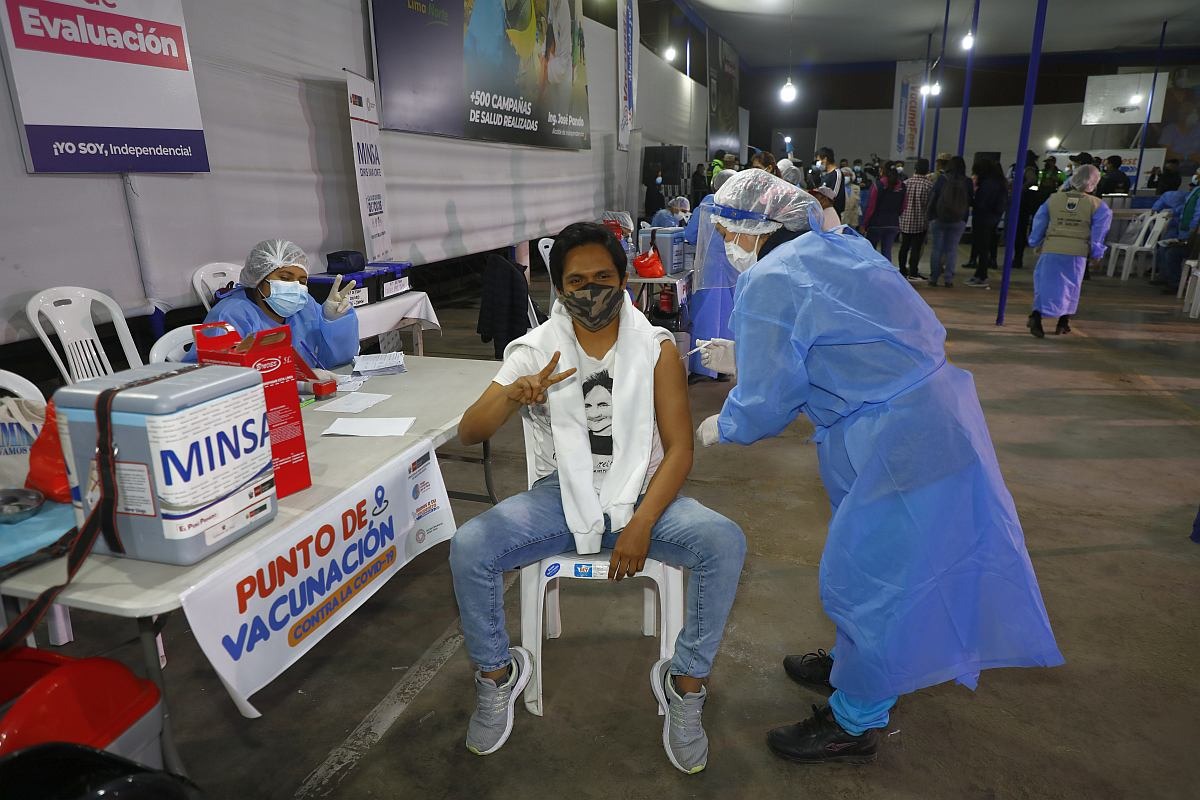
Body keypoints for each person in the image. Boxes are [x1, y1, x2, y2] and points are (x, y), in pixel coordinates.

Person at [692, 170, 1063, 765]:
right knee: (874, 559)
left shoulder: (771, 277)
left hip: (899, 441)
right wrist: (752, 353)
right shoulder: (839, 245)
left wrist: (727, 421)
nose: (727, 245)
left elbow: (768, 399)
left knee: (875, 576)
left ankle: (856, 719)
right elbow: (848, 333)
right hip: (917, 417)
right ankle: (853, 664)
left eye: (727, 232)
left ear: (754, 226)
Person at [449, 222, 745, 773]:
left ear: (623, 279)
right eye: (577, 281)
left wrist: (642, 522)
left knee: (723, 541)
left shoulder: (654, 348)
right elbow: (470, 431)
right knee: (471, 547)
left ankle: (685, 684)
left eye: (603, 278)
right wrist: (513, 396)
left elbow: (680, 449)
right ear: (560, 287)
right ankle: (497, 675)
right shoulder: (535, 350)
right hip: (561, 495)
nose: (591, 291)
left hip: (642, 494)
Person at [187, 239, 359, 371]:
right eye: (284, 278)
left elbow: (336, 361)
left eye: (302, 281)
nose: (294, 287)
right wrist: (298, 382)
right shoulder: (229, 315)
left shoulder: (306, 307)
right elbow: (216, 378)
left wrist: (333, 322)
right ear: (259, 278)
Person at [1026, 165, 1112, 337]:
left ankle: (1036, 316)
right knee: (1071, 288)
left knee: (1044, 285)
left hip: (1051, 248)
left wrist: (1035, 241)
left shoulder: (1053, 199)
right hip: (1076, 252)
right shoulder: (1098, 206)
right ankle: (1063, 322)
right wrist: (1097, 253)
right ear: (1094, 182)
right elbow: (1099, 233)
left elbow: (1039, 221)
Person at [926, 155, 973, 287]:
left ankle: (934, 278)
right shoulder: (967, 181)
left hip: (939, 218)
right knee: (951, 250)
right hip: (959, 219)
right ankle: (948, 278)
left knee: (937, 249)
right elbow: (970, 200)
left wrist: (930, 216)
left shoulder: (942, 179)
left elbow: (933, 197)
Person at [966, 158, 1009, 288]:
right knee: (985, 247)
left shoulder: (987, 184)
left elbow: (981, 202)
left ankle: (981, 276)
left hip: (983, 218)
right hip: (993, 218)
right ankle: (980, 274)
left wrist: (971, 199)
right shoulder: (999, 182)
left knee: (982, 248)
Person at [1156, 174, 1200, 294]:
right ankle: (1168, 279)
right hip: (1185, 233)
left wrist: (1192, 231)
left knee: (1172, 253)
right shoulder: (1196, 191)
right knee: (1165, 249)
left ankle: (1176, 284)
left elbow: (1197, 214)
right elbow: (1185, 208)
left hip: (1193, 237)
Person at [859, 162, 905, 263]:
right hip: (893, 223)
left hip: (876, 223)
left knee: (871, 252)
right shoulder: (902, 186)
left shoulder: (878, 185)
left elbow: (870, 207)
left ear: (882, 171)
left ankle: (871, 271)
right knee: (887, 252)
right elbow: (903, 207)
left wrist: (864, 224)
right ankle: (887, 272)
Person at [897, 157, 933, 282]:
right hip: (921, 222)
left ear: (915, 168)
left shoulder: (905, 183)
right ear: (927, 170)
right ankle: (913, 272)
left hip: (905, 221)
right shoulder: (929, 185)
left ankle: (902, 270)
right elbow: (930, 204)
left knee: (904, 247)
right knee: (916, 249)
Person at [1013, 151, 1043, 270]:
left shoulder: (1028, 169)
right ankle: (1018, 258)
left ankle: (1017, 259)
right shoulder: (1034, 168)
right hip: (1031, 203)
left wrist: (1020, 189)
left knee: (1019, 231)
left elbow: (1031, 180)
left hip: (1024, 203)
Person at [813, 147, 846, 215]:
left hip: (833, 212)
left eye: (818, 160)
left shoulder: (837, 173)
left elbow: (834, 195)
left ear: (825, 159)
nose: (818, 163)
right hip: (823, 211)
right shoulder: (824, 174)